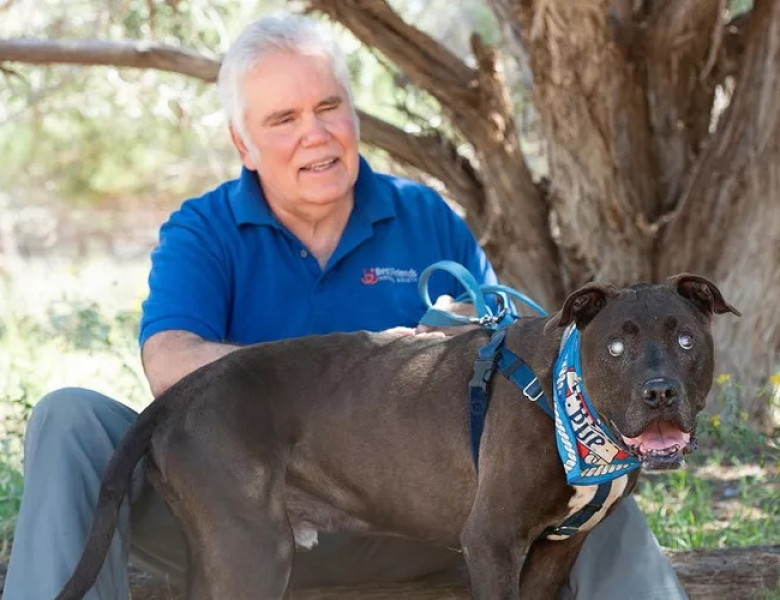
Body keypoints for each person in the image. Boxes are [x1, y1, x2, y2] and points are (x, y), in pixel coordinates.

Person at [4, 14, 687, 600]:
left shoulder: (423, 217)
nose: (316, 134)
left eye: (329, 107)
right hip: (232, 505)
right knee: (68, 416)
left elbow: (513, 374)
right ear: (243, 143)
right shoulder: (204, 229)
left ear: (355, 115)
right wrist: (360, 366)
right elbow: (171, 367)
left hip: (415, 514)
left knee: (598, 481)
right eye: (284, 119)